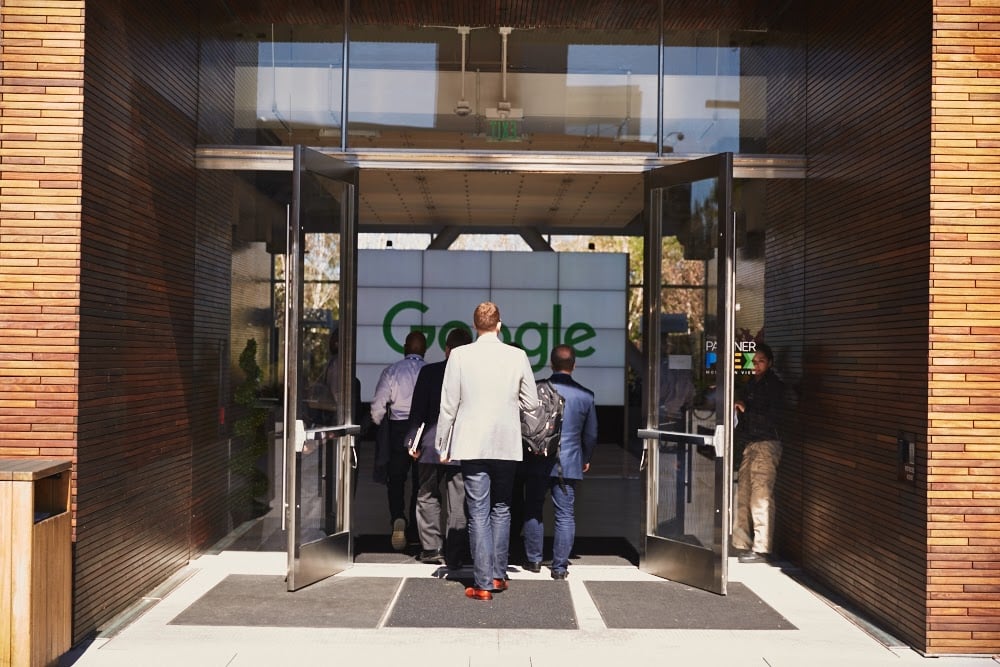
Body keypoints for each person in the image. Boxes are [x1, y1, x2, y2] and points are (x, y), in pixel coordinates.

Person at [436, 302, 538, 601]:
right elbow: (531, 403)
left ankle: (482, 584)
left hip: (471, 442)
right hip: (506, 442)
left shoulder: (459, 356)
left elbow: (448, 404)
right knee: (502, 508)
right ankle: (498, 574)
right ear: (499, 324)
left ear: (474, 325)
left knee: (477, 511)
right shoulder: (517, 356)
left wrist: (443, 443)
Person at [522, 345, 598, 580]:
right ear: (574, 366)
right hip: (569, 462)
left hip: (537, 458)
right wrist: (585, 458)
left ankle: (534, 559)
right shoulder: (586, 396)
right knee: (565, 515)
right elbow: (591, 434)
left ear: (551, 364)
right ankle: (559, 567)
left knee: (533, 507)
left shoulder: (536, 389)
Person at [406, 326, 473, 567]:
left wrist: (412, 442)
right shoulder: (473, 375)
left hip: (431, 446)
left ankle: (432, 548)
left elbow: (418, 413)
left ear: (446, 349)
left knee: (427, 495)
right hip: (462, 447)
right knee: (459, 500)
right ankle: (455, 552)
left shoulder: (429, 372)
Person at [370, 330, 427, 551]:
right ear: (424, 349)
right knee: (420, 482)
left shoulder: (392, 371)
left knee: (396, 479)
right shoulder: (429, 371)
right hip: (422, 428)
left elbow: (377, 408)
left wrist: (380, 425)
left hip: (398, 429)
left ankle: (397, 518)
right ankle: (414, 529)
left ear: (405, 348)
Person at [732, 342, 785, 564]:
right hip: (750, 444)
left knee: (761, 496)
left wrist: (746, 409)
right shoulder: (752, 384)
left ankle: (762, 548)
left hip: (766, 443)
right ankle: (742, 543)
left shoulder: (774, 386)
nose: (756, 365)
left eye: (761, 361)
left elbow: (772, 416)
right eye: (754, 361)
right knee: (742, 494)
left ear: (770, 362)